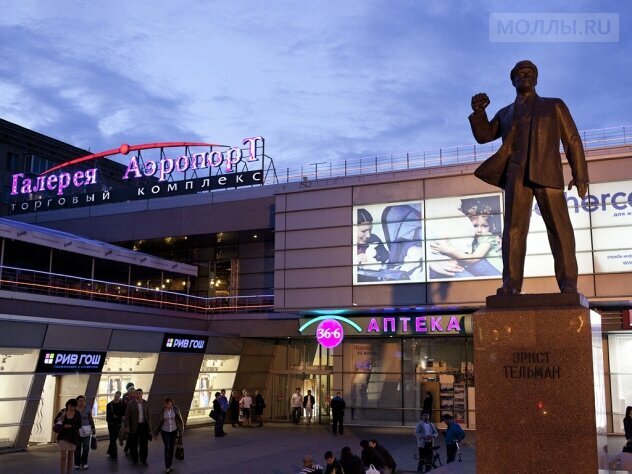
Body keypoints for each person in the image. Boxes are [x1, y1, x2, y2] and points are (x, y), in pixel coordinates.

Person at [470, 60, 589, 295]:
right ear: (512, 80)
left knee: (559, 229)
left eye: (530, 73)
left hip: (547, 173)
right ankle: (511, 284)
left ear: (536, 79)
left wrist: (580, 174)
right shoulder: (505, 113)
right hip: (516, 175)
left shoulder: (554, 106)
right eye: (520, 74)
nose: (525, 76)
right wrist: (479, 113)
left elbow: (572, 139)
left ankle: (568, 283)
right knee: (513, 231)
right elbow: (484, 136)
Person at [429, 197, 502, 277]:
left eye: (484, 226)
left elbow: (473, 258)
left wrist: (448, 250)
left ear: (491, 226)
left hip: (495, 271)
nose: (479, 230)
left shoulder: (487, 238)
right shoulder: (475, 239)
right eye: (475, 226)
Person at [153, 397, 184, 473]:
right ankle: (167, 467)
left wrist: (181, 431)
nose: (168, 405)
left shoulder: (176, 409)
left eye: (169, 404)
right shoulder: (162, 411)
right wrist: (155, 433)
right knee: (167, 447)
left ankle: (170, 465)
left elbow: (180, 420)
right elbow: (158, 422)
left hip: (174, 431)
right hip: (165, 431)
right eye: (166, 404)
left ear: (172, 404)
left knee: (172, 448)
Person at [124, 388, 152, 466]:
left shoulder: (146, 403)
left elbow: (148, 416)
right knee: (133, 444)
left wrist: (149, 427)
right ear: (134, 394)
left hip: (143, 426)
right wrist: (127, 427)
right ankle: (135, 459)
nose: (138, 395)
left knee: (144, 444)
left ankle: (143, 460)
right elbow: (127, 416)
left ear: (142, 394)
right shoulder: (130, 403)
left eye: (139, 393)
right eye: (136, 393)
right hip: (133, 426)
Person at [55, 398, 81, 474]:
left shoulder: (77, 413)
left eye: (73, 407)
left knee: (70, 456)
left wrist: (70, 426)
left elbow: (79, 425)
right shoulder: (63, 411)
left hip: (72, 436)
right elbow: (55, 421)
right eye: (70, 406)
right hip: (63, 435)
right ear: (67, 405)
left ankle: (68, 472)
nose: (72, 408)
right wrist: (62, 423)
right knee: (63, 456)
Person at [74, 394, 95, 471]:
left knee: (86, 447)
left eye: (83, 400)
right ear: (77, 401)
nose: (81, 402)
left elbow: (90, 418)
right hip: (77, 431)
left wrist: (93, 428)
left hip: (87, 429)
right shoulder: (75, 409)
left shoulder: (87, 408)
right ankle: (77, 464)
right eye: (80, 400)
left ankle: (84, 463)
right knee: (77, 447)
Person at [106, 390, 125, 460]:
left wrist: (119, 417)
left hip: (118, 424)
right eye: (115, 396)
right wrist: (112, 417)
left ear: (120, 397)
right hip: (111, 424)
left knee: (113, 439)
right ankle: (114, 455)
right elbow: (107, 416)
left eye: (118, 396)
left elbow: (123, 414)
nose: (116, 397)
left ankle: (109, 451)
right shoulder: (109, 405)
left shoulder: (122, 404)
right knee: (113, 439)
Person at [121, 382, 135, 456]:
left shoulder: (136, 399)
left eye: (133, 392)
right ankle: (127, 448)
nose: (132, 394)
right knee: (130, 435)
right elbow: (123, 408)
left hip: (134, 419)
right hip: (128, 419)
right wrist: (123, 416)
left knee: (132, 435)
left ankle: (129, 448)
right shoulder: (126, 399)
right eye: (131, 392)